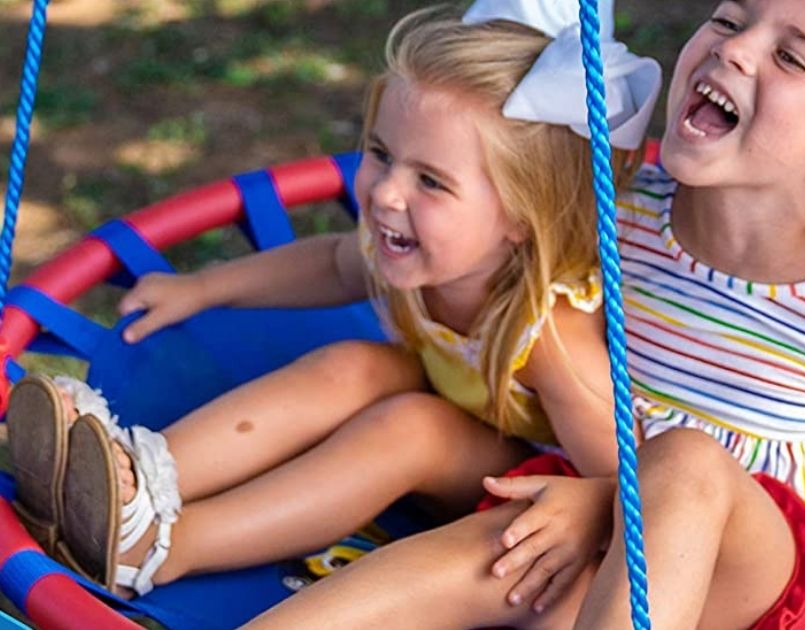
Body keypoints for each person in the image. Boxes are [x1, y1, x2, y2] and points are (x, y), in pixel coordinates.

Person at [245, 1, 805, 629]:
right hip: (606, 491)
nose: (732, 47)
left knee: (682, 467)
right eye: (730, 16)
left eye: (790, 54)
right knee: (503, 552)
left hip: (774, 561)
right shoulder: (625, 203)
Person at [5, 1, 660, 602]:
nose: (383, 193)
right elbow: (331, 262)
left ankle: (160, 550)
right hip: (468, 417)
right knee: (356, 365)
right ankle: (138, 477)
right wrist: (203, 287)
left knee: (409, 428)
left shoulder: (553, 339)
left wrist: (584, 507)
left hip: (518, 499)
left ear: (522, 216)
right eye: (380, 153)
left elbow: (626, 486)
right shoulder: (412, 246)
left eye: (430, 180)